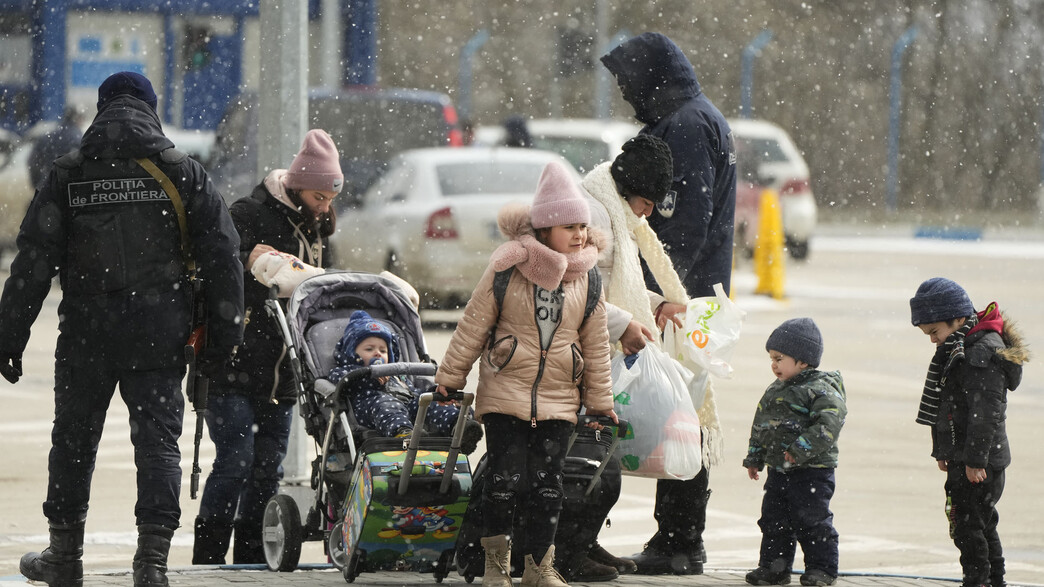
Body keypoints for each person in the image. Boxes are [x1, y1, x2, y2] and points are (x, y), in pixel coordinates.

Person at [0, 71, 244, 587]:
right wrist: (224, 341)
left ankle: (64, 558)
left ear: (101, 109)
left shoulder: (68, 174)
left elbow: (33, 264)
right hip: (159, 333)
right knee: (157, 444)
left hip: (87, 333)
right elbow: (224, 259)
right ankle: (151, 565)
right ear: (151, 110)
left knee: (73, 441)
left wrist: (9, 336)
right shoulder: (183, 173)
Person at [434, 161, 617, 587]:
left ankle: (539, 567)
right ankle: (497, 566)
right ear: (544, 229)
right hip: (504, 392)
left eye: (583, 226)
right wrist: (450, 376)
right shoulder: (507, 268)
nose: (579, 234)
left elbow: (595, 345)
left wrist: (600, 402)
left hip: (558, 398)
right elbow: (474, 325)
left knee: (548, 485)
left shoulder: (588, 279)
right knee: (502, 481)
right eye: (569, 225)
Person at [601, 31, 737, 575]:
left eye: (627, 82)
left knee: (682, 415)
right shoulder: (699, 117)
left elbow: (682, 222)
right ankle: (679, 538)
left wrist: (661, 295)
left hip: (683, 298)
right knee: (686, 413)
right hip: (698, 292)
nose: (626, 93)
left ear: (651, 78)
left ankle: (681, 541)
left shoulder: (683, 126)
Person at [193, 129, 341, 565]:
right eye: (319, 197)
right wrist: (257, 269)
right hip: (233, 365)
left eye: (330, 199)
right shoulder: (250, 213)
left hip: (284, 371)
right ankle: (207, 558)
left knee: (267, 471)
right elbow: (218, 270)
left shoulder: (317, 228)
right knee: (236, 461)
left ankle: (252, 560)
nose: (325, 207)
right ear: (298, 186)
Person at [550, 133, 689, 583]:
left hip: (593, 353)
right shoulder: (590, 215)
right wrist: (623, 323)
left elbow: (609, 285)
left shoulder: (612, 211)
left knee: (597, 461)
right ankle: (566, 553)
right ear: (629, 189)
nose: (649, 212)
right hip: (572, 359)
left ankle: (580, 542)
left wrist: (653, 303)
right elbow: (573, 290)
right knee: (594, 466)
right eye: (646, 201)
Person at [909, 278, 1027, 587]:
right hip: (966, 457)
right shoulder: (958, 347)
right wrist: (944, 451)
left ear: (957, 319)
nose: (933, 340)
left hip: (980, 462)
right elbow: (947, 406)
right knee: (979, 523)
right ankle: (991, 580)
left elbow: (984, 416)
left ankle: (978, 580)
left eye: (935, 332)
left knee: (968, 526)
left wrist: (976, 461)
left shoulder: (979, 355)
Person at [742, 318, 846, 587]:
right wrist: (755, 456)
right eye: (771, 359)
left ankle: (821, 569)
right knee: (774, 521)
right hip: (779, 471)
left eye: (779, 358)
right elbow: (761, 426)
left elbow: (829, 424)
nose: (774, 364)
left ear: (803, 360)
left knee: (812, 521)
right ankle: (774, 568)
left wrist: (801, 449)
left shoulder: (820, 389)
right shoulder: (775, 390)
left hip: (812, 473)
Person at [327, 309, 483, 453]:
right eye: (369, 349)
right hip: (371, 409)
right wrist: (369, 377)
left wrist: (433, 394)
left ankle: (459, 426)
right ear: (352, 354)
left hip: (408, 405)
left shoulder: (397, 376)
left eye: (383, 350)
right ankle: (404, 433)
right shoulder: (348, 371)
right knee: (386, 404)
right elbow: (340, 381)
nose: (377, 354)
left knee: (427, 402)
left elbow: (413, 393)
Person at [28, 105, 85, 190]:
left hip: (46, 185)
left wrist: (38, 184)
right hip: (68, 188)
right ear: (77, 118)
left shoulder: (49, 135)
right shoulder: (77, 137)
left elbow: (33, 161)